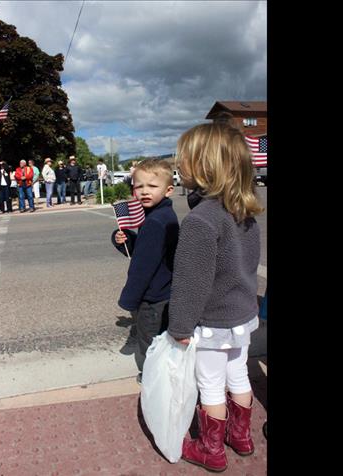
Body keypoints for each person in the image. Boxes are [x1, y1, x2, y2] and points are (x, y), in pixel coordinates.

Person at [167, 122, 264, 472]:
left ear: (206, 167)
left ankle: (211, 449)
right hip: (241, 315)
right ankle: (241, 437)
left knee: (210, 384)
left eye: (185, 161)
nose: (179, 167)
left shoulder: (201, 220)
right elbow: (249, 266)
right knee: (238, 375)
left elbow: (192, 283)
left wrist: (179, 324)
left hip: (213, 322)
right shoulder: (243, 212)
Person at [111, 159, 179, 384]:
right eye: (139, 186)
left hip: (153, 298)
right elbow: (147, 250)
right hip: (165, 292)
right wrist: (125, 239)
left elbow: (142, 266)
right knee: (162, 339)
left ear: (168, 190)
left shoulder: (155, 222)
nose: (144, 191)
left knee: (150, 342)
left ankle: (153, 378)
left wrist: (129, 300)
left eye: (152, 186)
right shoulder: (161, 216)